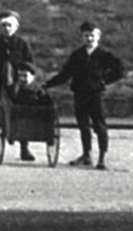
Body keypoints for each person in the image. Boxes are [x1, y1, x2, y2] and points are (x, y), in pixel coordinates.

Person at [45, 21, 125, 168]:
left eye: (92, 35)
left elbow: (119, 70)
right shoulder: (77, 55)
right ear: (82, 37)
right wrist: (48, 84)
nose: (89, 39)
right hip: (80, 94)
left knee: (99, 126)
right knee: (83, 125)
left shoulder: (104, 55)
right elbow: (65, 74)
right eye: (86, 36)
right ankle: (86, 155)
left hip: (95, 95)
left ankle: (102, 158)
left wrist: (104, 82)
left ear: (98, 36)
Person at [0, 9, 37, 163]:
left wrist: (27, 77)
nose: (7, 28)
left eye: (10, 25)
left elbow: (31, 65)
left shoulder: (22, 45)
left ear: (16, 26)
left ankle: (24, 149)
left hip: (18, 87)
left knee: (21, 115)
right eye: (4, 25)